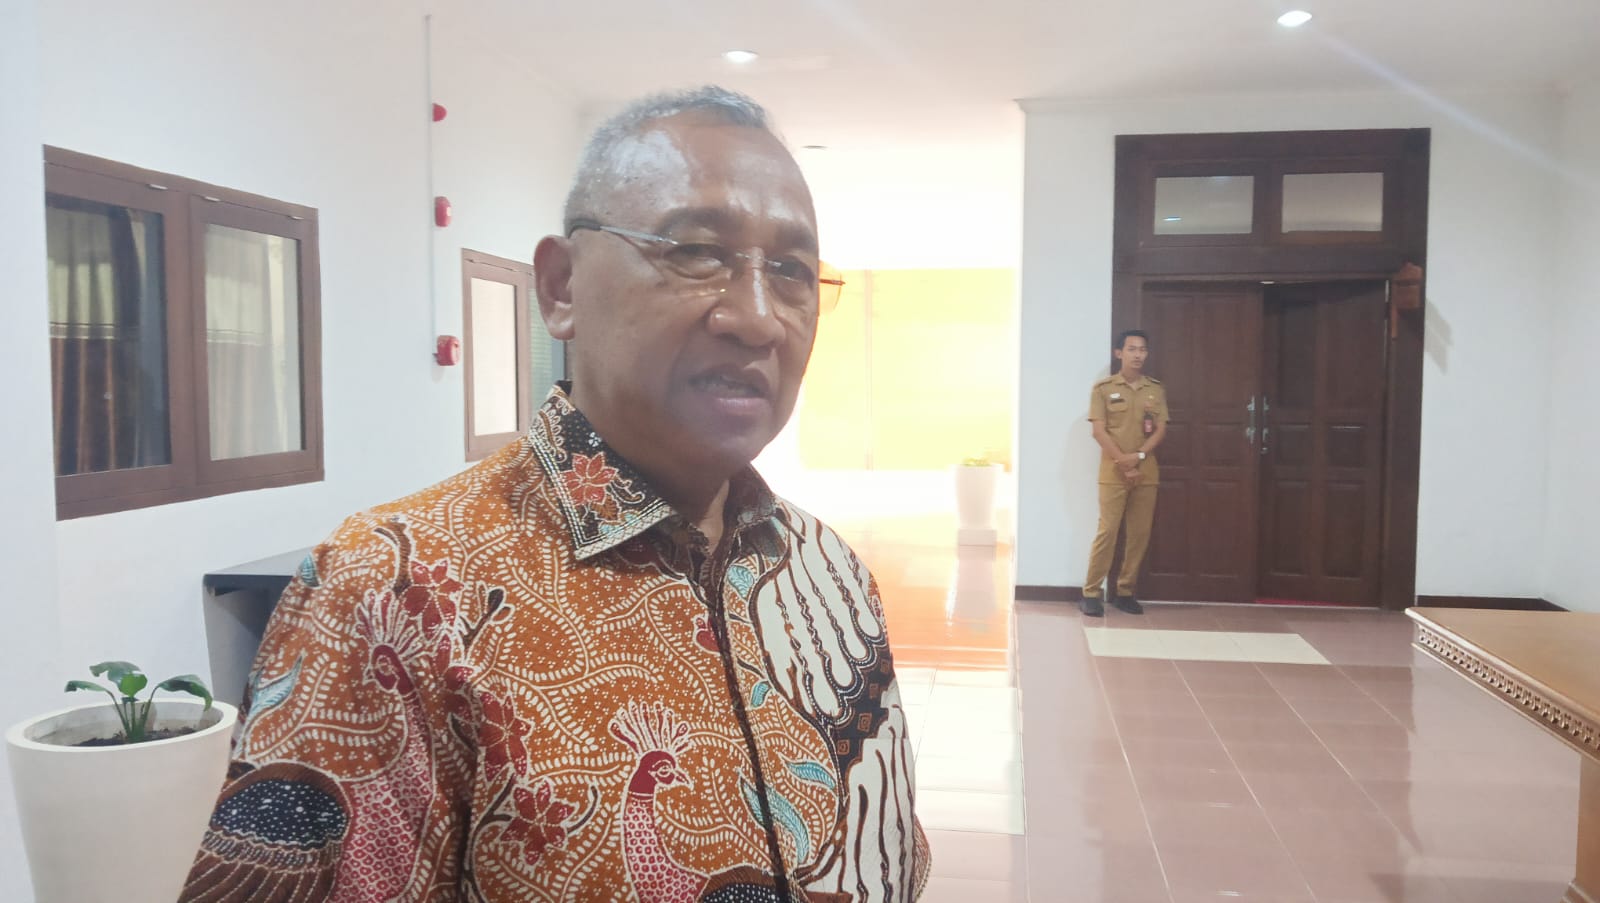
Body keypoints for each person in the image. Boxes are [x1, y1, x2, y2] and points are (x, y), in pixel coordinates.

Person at [180, 86, 929, 902]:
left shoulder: (828, 573)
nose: (758, 318)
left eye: (790, 271)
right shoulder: (391, 593)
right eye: (697, 252)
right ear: (562, 287)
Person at [1080, 329, 1168, 617]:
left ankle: (1125, 591)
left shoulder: (1155, 389)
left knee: (1139, 534)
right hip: (1113, 473)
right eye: (1132, 349)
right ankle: (1091, 592)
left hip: (1146, 472)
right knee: (1108, 532)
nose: (1138, 355)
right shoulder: (1103, 388)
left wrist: (1138, 457)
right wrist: (1123, 462)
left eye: (1142, 349)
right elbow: (1098, 431)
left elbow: (1160, 430)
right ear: (1119, 353)